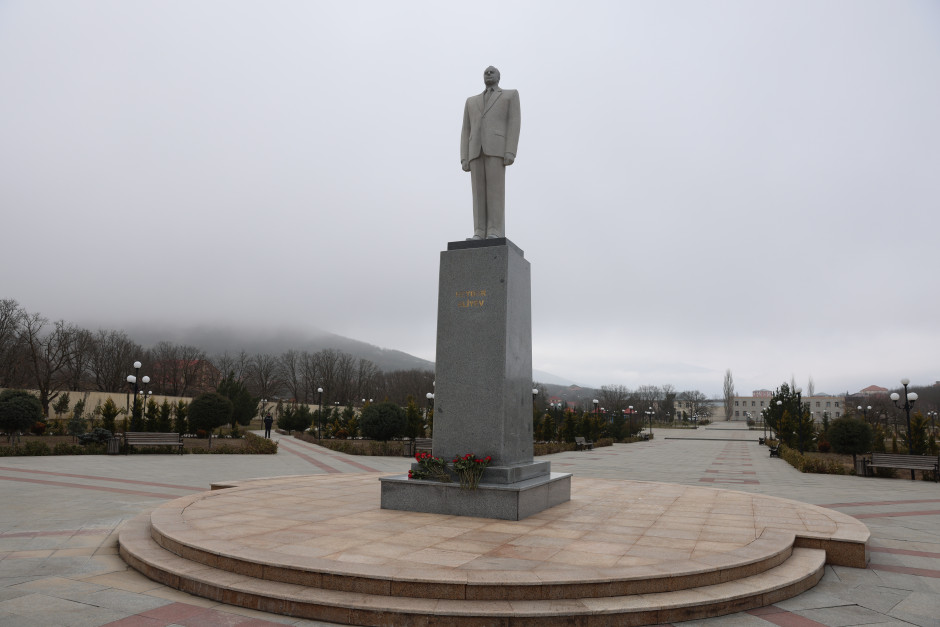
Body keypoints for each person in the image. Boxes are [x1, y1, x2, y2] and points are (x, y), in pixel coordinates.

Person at [460, 66, 521, 240]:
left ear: (499, 77)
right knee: (478, 194)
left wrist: (510, 150)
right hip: (475, 150)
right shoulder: (471, 101)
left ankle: (494, 230)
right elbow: (466, 129)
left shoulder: (510, 95)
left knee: (495, 192)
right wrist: (464, 157)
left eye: (492, 72)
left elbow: (514, 123)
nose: (488, 74)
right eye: (485, 72)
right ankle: (479, 231)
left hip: (496, 149)